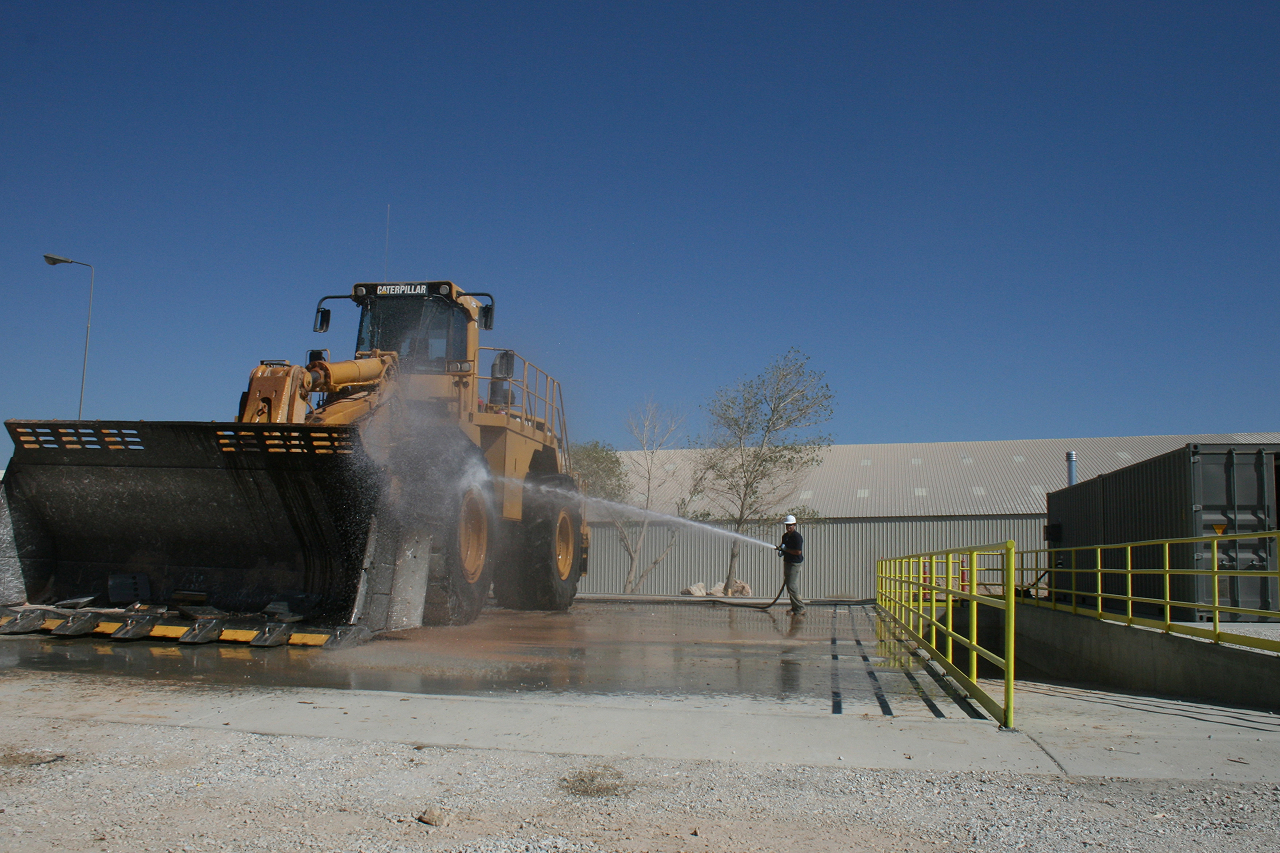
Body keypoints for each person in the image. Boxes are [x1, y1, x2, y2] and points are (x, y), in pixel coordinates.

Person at [777, 515, 805, 615]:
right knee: (789, 586)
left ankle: (800, 607)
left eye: (790, 525)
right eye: (787, 525)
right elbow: (782, 546)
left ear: (794, 525)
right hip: (787, 562)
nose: (788, 527)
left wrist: (786, 550)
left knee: (792, 585)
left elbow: (798, 552)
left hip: (795, 564)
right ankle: (795, 607)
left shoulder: (797, 537)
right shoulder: (785, 536)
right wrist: (781, 551)